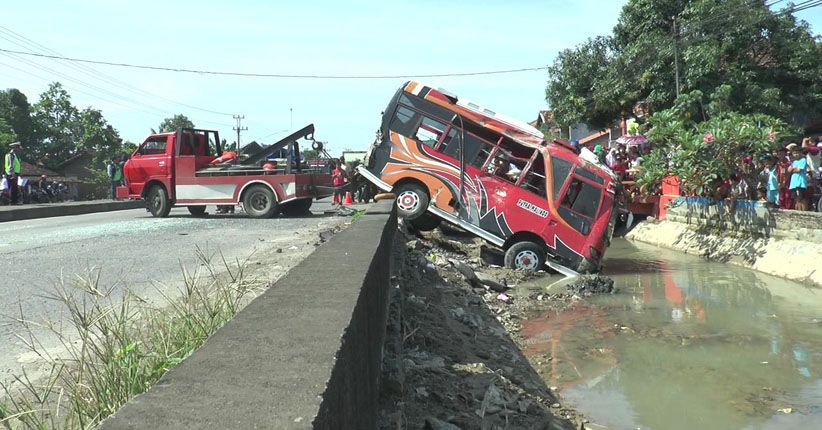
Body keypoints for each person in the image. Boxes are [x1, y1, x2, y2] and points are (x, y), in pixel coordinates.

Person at [788, 144, 809, 211]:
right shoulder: (793, 162)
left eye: (797, 153)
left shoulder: (803, 160)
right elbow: (789, 170)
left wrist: (792, 170)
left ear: (800, 153)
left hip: (800, 183)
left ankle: (804, 212)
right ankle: (798, 211)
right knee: (796, 199)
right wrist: (792, 169)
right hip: (793, 183)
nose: (796, 154)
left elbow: (798, 170)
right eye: (794, 153)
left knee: (801, 198)